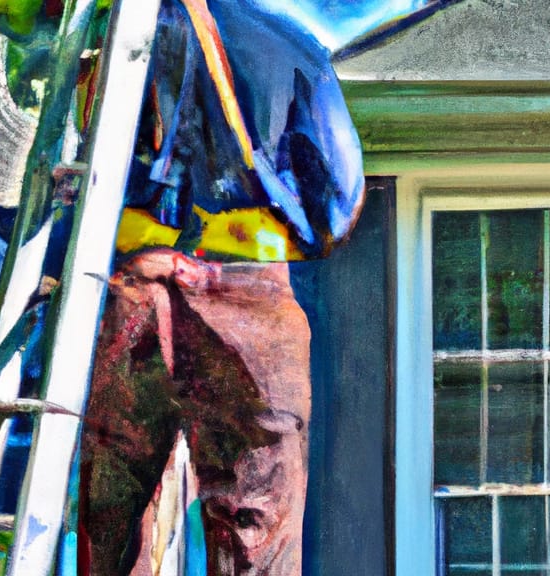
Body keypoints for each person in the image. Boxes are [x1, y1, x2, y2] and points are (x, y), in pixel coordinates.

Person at [78, 0, 365, 573]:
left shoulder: (106, 32)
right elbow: (335, 198)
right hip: (249, 286)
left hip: (132, 281)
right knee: (255, 525)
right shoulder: (290, 45)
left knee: (109, 520)